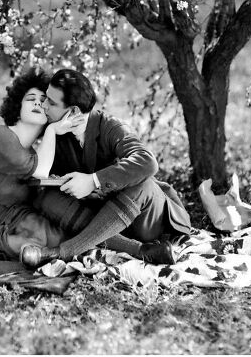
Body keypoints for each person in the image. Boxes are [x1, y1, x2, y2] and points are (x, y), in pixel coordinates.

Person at [20, 68, 192, 268]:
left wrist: (93, 181)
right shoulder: (56, 131)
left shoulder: (111, 126)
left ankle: (60, 253)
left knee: (143, 184)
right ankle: (143, 251)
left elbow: (147, 161)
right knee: (45, 198)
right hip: (104, 221)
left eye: (51, 102)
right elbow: (39, 176)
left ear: (73, 111)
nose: (43, 105)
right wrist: (50, 132)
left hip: (147, 220)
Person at [0, 69, 85, 261]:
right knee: (30, 247)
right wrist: (52, 131)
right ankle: (39, 254)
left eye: (44, 100)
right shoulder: (1, 135)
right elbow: (40, 172)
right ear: (17, 107)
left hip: (13, 217)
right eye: (31, 98)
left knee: (61, 236)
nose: (38, 102)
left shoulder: (33, 153)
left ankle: (125, 246)